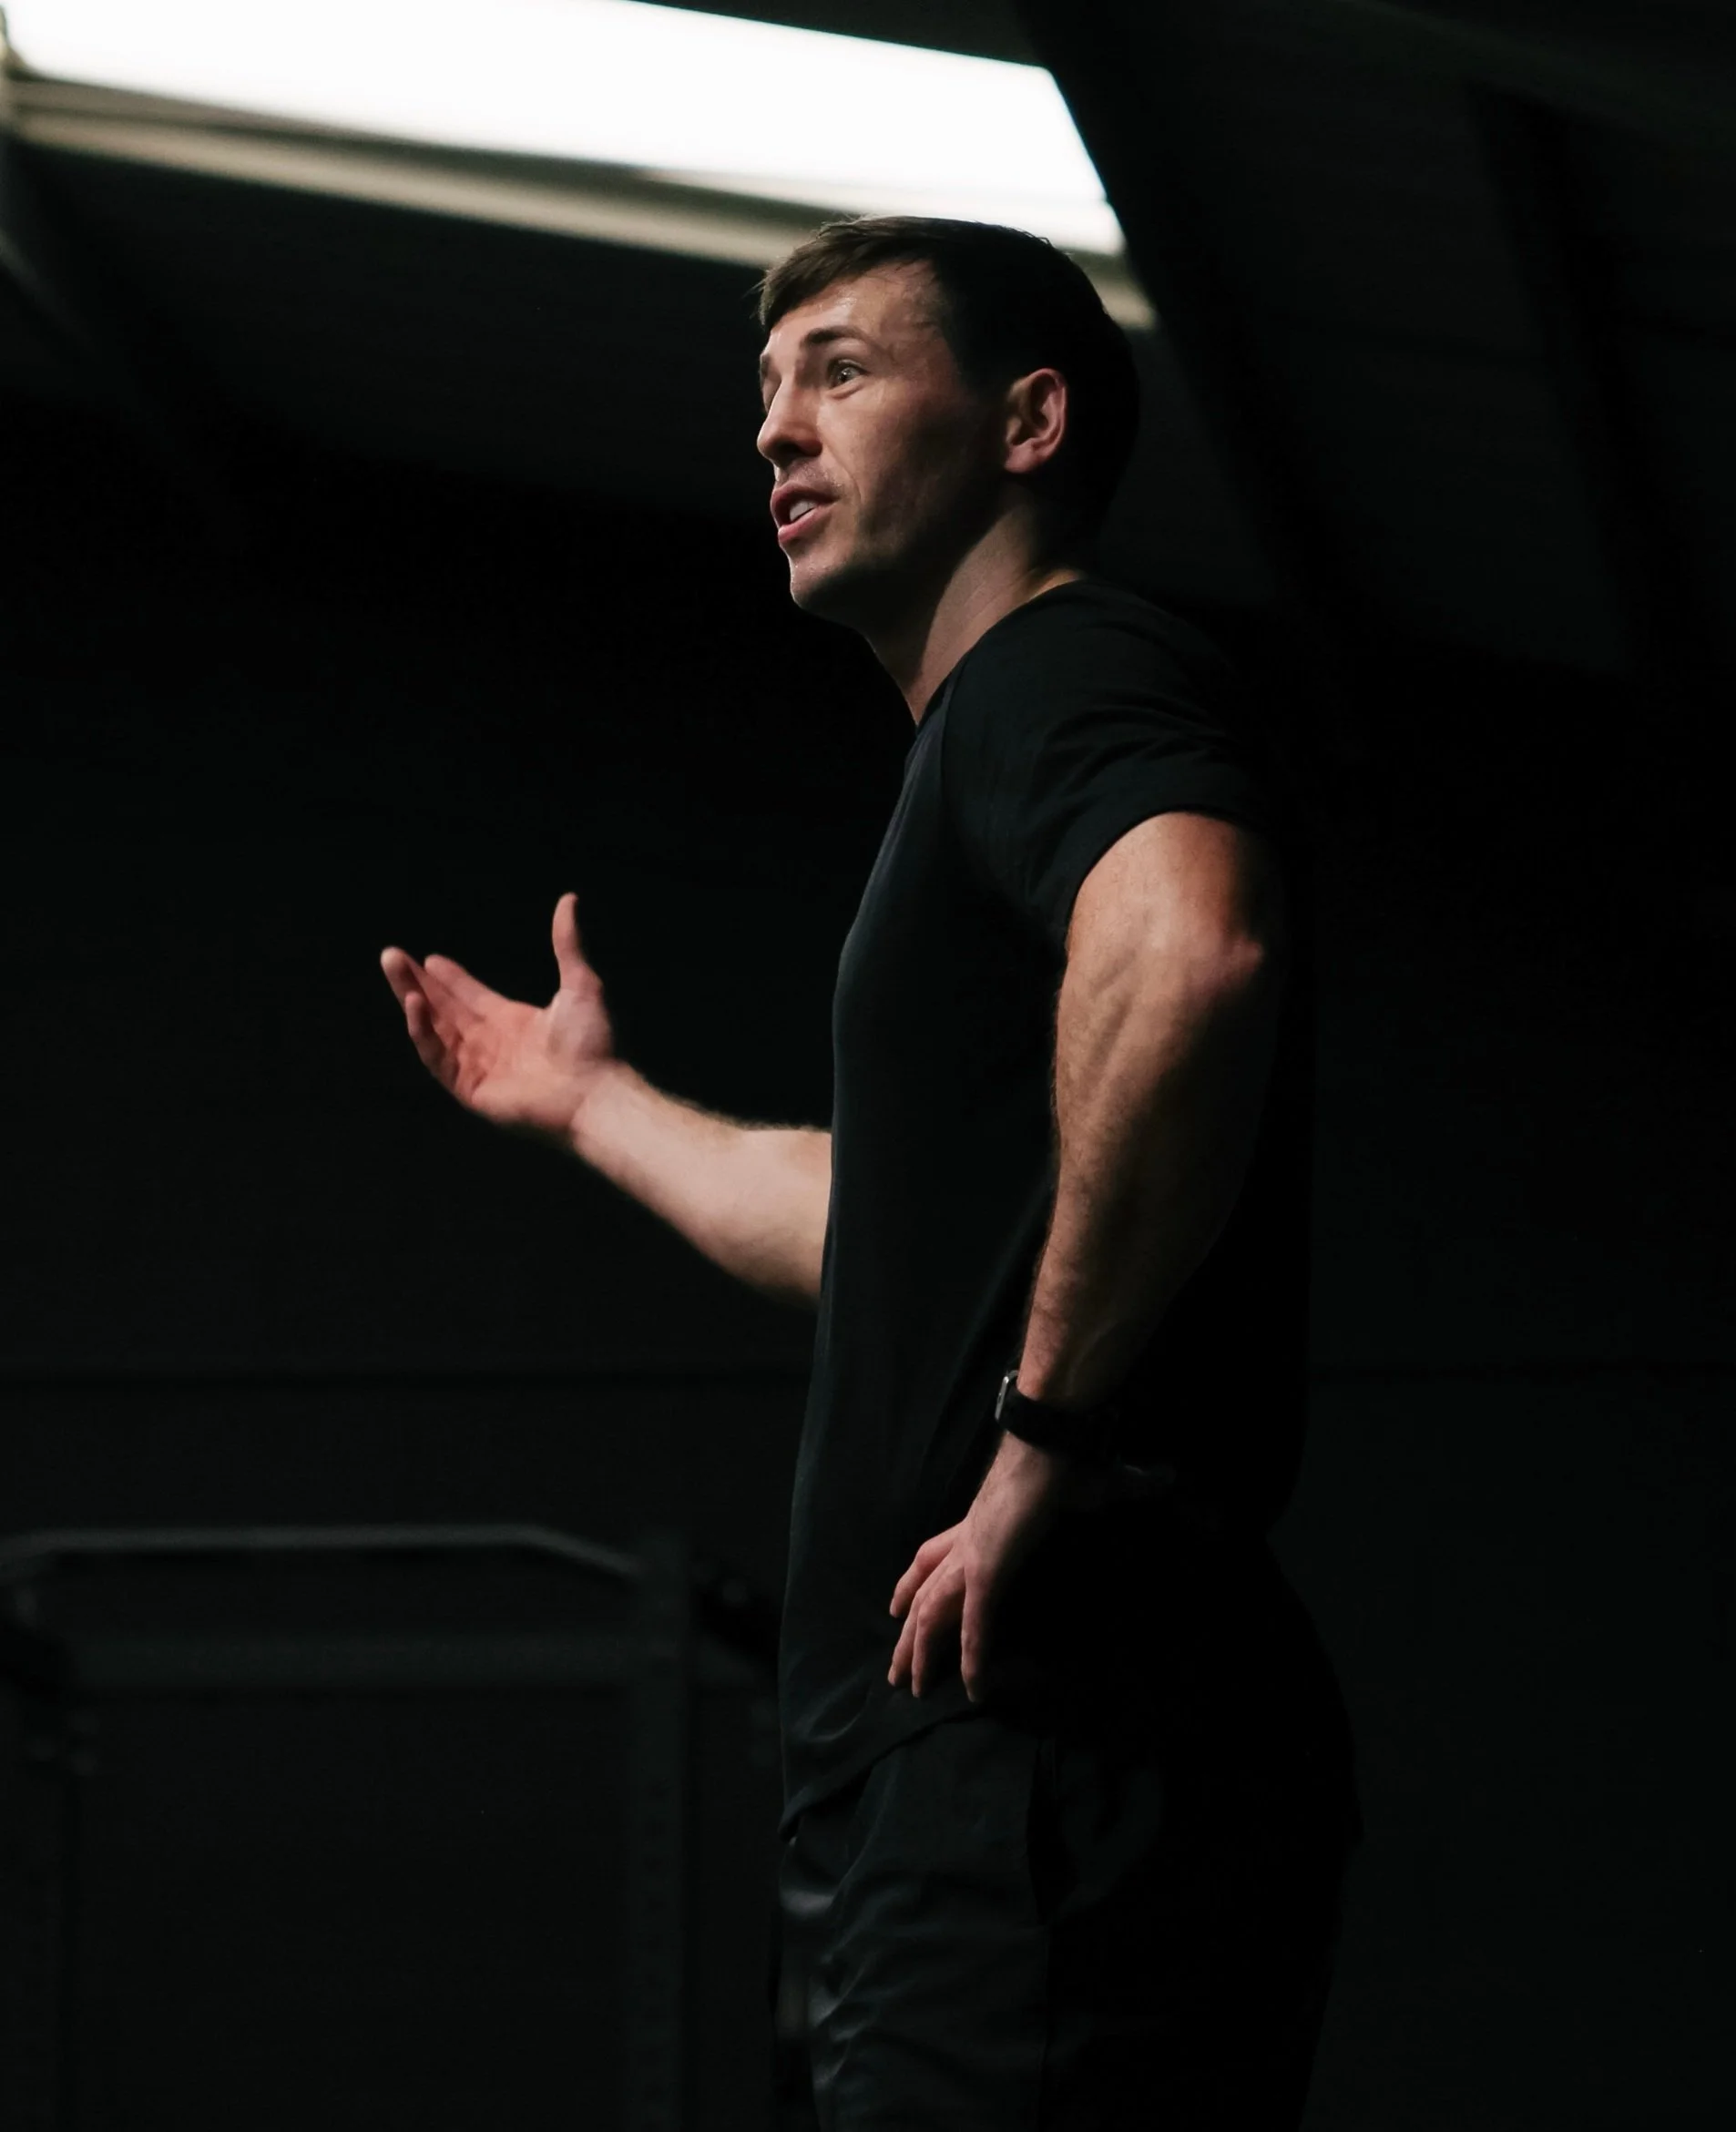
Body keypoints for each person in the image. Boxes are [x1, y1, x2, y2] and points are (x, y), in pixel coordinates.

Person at [381, 216, 1356, 2129]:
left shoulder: (1057, 671)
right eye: (763, 392)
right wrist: (592, 1106)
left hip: (1042, 1736)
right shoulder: (982, 747)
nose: (774, 432)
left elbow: (1191, 951)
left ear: (1026, 420)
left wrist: (1042, 1437)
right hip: (992, 1778)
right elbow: (908, 1235)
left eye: (838, 371)